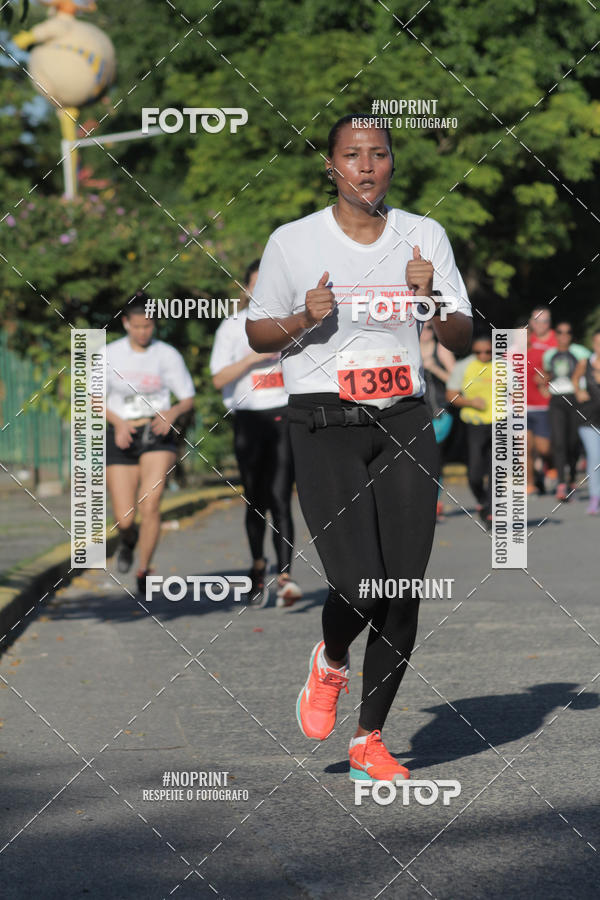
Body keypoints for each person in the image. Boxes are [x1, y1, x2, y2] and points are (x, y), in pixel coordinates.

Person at [246, 113, 472, 783]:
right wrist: (303, 318)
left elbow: (461, 335)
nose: (366, 166)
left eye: (378, 154)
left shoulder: (424, 235)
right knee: (357, 585)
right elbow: (259, 333)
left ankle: (369, 738)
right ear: (332, 166)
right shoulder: (292, 241)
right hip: (323, 423)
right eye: (352, 154)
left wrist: (430, 298)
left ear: (393, 164)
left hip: (404, 418)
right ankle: (331, 660)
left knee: (401, 587)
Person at [210, 261, 301, 608]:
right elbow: (218, 379)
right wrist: (252, 358)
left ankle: (286, 578)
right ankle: (258, 565)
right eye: (255, 285)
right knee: (255, 500)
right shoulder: (233, 326)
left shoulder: (291, 322)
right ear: (246, 289)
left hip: (284, 414)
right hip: (248, 418)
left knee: (281, 496)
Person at [106, 292, 195, 594]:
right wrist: (118, 422)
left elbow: (187, 397)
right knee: (125, 518)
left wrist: (172, 412)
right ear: (125, 323)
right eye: (138, 326)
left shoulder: (167, 355)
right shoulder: (109, 354)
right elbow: (93, 398)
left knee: (151, 502)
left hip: (157, 433)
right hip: (122, 434)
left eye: (148, 326)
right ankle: (128, 538)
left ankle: (144, 569)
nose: (143, 332)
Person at [447, 334, 494, 528]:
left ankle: (491, 511)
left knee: (496, 469)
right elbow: (451, 395)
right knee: (475, 472)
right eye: (478, 352)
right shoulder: (463, 366)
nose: (483, 355)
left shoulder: (504, 366)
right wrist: (470, 402)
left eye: (488, 352)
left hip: (500, 422)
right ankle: (482, 499)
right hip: (475, 423)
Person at [543, 323, 591, 501]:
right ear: (555, 334)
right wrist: (542, 383)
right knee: (559, 441)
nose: (564, 335)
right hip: (557, 399)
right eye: (560, 332)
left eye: (568, 332)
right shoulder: (549, 354)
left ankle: (571, 477)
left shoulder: (581, 352)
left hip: (575, 399)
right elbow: (547, 374)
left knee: (573, 441)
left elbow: (589, 370)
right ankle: (561, 483)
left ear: (572, 335)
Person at [420, 320, 456, 519]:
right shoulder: (409, 349)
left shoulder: (441, 350)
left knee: (431, 455)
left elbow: (458, 381)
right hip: (417, 413)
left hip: (440, 412)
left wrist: (434, 368)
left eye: (429, 328)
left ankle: (435, 502)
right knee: (419, 458)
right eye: (421, 326)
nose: (425, 332)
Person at [527, 306, 557, 494]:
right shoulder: (526, 340)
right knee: (525, 446)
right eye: (537, 321)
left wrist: (548, 378)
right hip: (522, 404)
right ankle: (530, 483)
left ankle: (551, 465)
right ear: (531, 323)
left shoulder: (556, 341)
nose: (540, 325)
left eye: (545, 321)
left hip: (547, 402)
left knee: (544, 447)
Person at [573, 329, 600, 515]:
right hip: (589, 420)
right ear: (593, 344)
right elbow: (575, 378)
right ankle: (595, 497)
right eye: (597, 343)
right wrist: (578, 390)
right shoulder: (585, 363)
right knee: (595, 457)